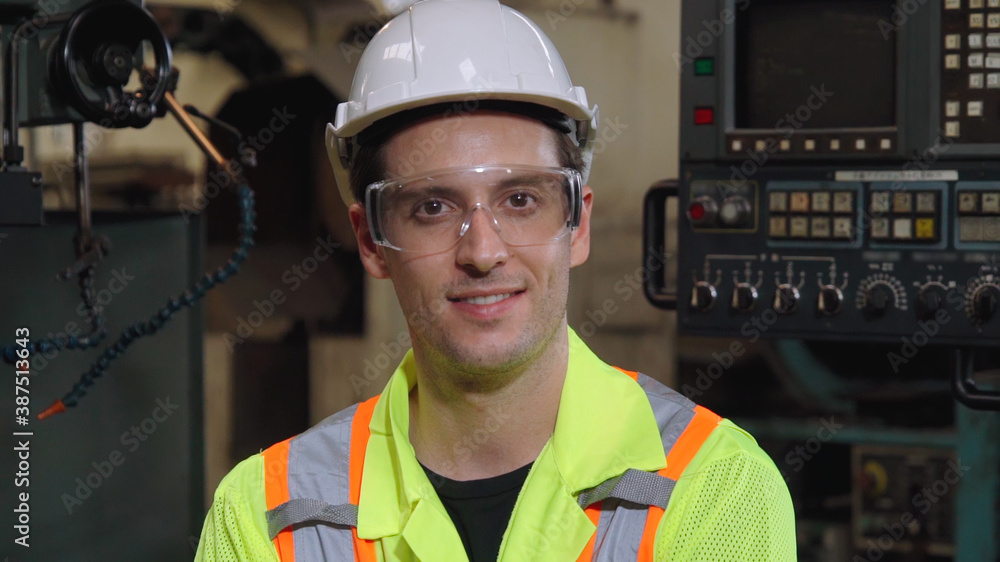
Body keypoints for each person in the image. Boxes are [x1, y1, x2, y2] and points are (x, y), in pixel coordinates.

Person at [194, 0, 796, 560]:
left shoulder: (713, 488)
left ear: (578, 222)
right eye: (432, 207)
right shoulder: (268, 517)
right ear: (371, 241)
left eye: (521, 199)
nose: (483, 251)